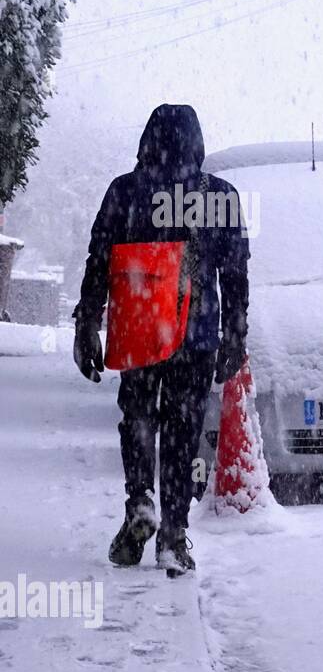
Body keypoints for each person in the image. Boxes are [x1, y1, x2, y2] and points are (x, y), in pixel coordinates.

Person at [72, 104, 249, 577]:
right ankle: (173, 533)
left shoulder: (125, 191)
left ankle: (139, 503)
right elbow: (234, 275)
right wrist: (234, 334)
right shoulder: (220, 197)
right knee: (182, 431)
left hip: (140, 329)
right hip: (194, 332)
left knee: (138, 418)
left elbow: (99, 260)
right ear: (197, 142)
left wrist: (88, 321)